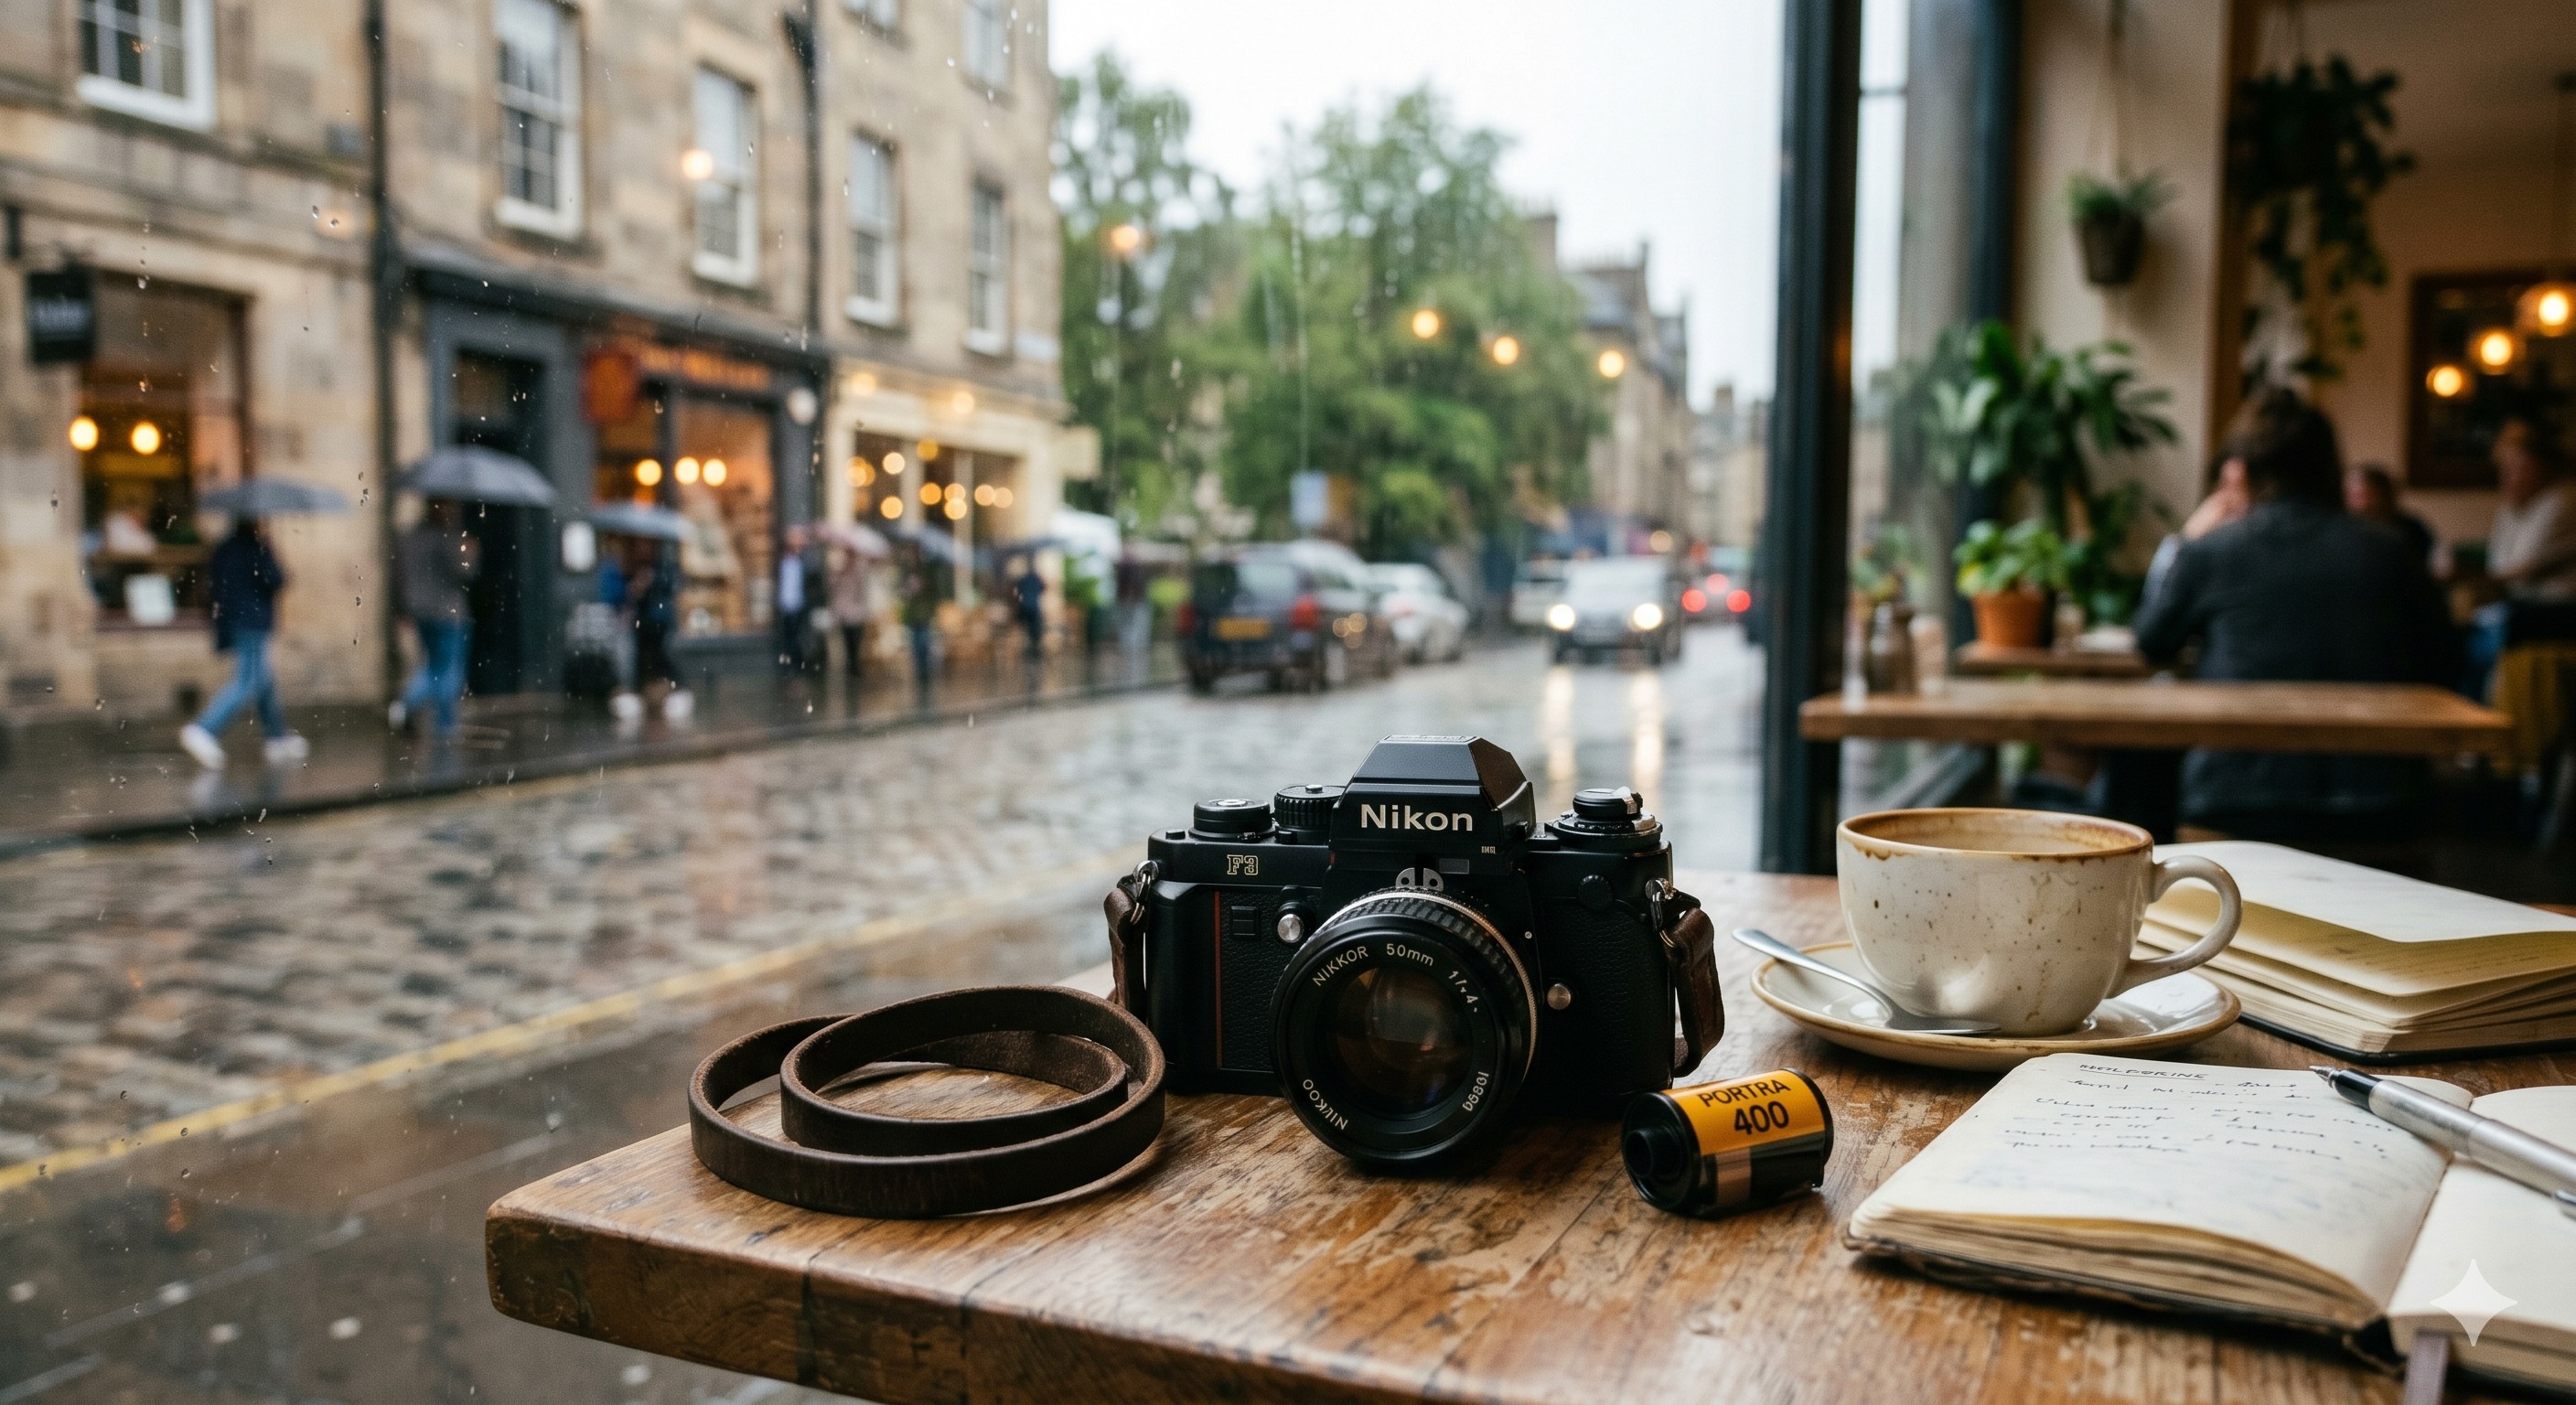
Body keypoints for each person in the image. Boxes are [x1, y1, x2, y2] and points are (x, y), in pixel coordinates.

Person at [2133, 387, 2456, 842]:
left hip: (2237, 800)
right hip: (2381, 804)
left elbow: (2151, 642)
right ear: (2329, 467)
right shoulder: (2391, 551)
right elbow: (2445, 662)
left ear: (2243, 470)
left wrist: (2184, 540)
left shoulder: (2211, 553)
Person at [178, 518, 307, 768]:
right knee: (248, 680)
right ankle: (203, 729)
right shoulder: (258, 548)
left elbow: (214, 586)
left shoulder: (223, 547)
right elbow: (278, 579)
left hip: (232, 621)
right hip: (253, 622)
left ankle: (277, 737)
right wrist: (268, 546)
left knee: (264, 680)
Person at [2464, 417, 2576, 695]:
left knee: (2484, 638)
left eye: (2520, 468)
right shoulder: (2513, 507)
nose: (2510, 477)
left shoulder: (2563, 500)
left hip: (2558, 610)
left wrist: (2465, 578)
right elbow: (2499, 566)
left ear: (2545, 469)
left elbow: (2526, 567)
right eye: (2507, 469)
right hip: (2523, 606)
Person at [388, 499, 480, 738]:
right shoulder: (450, 538)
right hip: (449, 613)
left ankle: (417, 710)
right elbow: (464, 572)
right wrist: (470, 551)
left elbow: (399, 577)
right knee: (448, 670)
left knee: (433, 665)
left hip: (420, 612)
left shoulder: (409, 537)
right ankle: (431, 717)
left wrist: (401, 610)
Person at [2342, 463, 2436, 572]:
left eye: (2359, 494)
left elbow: (2434, 564)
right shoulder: (2339, 532)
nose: (2349, 501)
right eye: (2347, 494)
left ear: (2382, 494)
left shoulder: (2410, 528)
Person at [826, 536, 874, 681]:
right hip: (844, 611)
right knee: (847, 641)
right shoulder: (839, 570)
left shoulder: (859, 570)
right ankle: (850, 667)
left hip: (856, 611)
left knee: (856, 641)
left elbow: (863, 591)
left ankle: (854, 666)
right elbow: (832, 587)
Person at [897, 545, 940, 701]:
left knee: (924, 645)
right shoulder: (907, 573)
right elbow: (902, 594)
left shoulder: (927, 573)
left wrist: (924, 586)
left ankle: (925, 674)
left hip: (924, 615)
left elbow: (934, 593)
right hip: (913, 616)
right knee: (916, 647)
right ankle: (920, 673)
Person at [1011, 556, 1046, 660]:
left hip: (1025, 607)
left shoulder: (1023, 579)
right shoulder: (1036, 579)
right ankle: (1034, 651)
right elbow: (1044, 589)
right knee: (1034, 629)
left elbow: (1017, 593)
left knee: (1026, 629)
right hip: (1033, 608)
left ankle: (1030, 650)